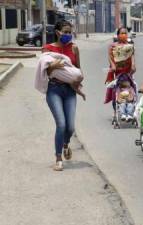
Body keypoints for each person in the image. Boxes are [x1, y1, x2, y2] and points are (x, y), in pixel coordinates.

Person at [42, 20, 82, 171]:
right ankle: (58, 158)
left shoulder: (74, 48)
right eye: (65, 31)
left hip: (70, 91)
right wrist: (53, 65)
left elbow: (78, 70)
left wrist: (79, 84)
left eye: (69, 32)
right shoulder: (48, 49)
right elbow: (45, 71)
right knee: (61, 124)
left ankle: (65, 144)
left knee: (70, 127)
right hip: (54, 90)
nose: (68, 35)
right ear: (58, 32)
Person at [104, 27, 136, 117]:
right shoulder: (112, 46)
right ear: (117, 35)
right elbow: (110, 57)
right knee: (115, 91)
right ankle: (116, 110)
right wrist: (113, 65)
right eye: (121, 33)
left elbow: (132, 56)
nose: (123, 35)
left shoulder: (130, 46)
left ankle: (130, 109)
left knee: (131, 89)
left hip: (128, 71)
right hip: (116, 72)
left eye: (125, 33)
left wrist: (133, 65)